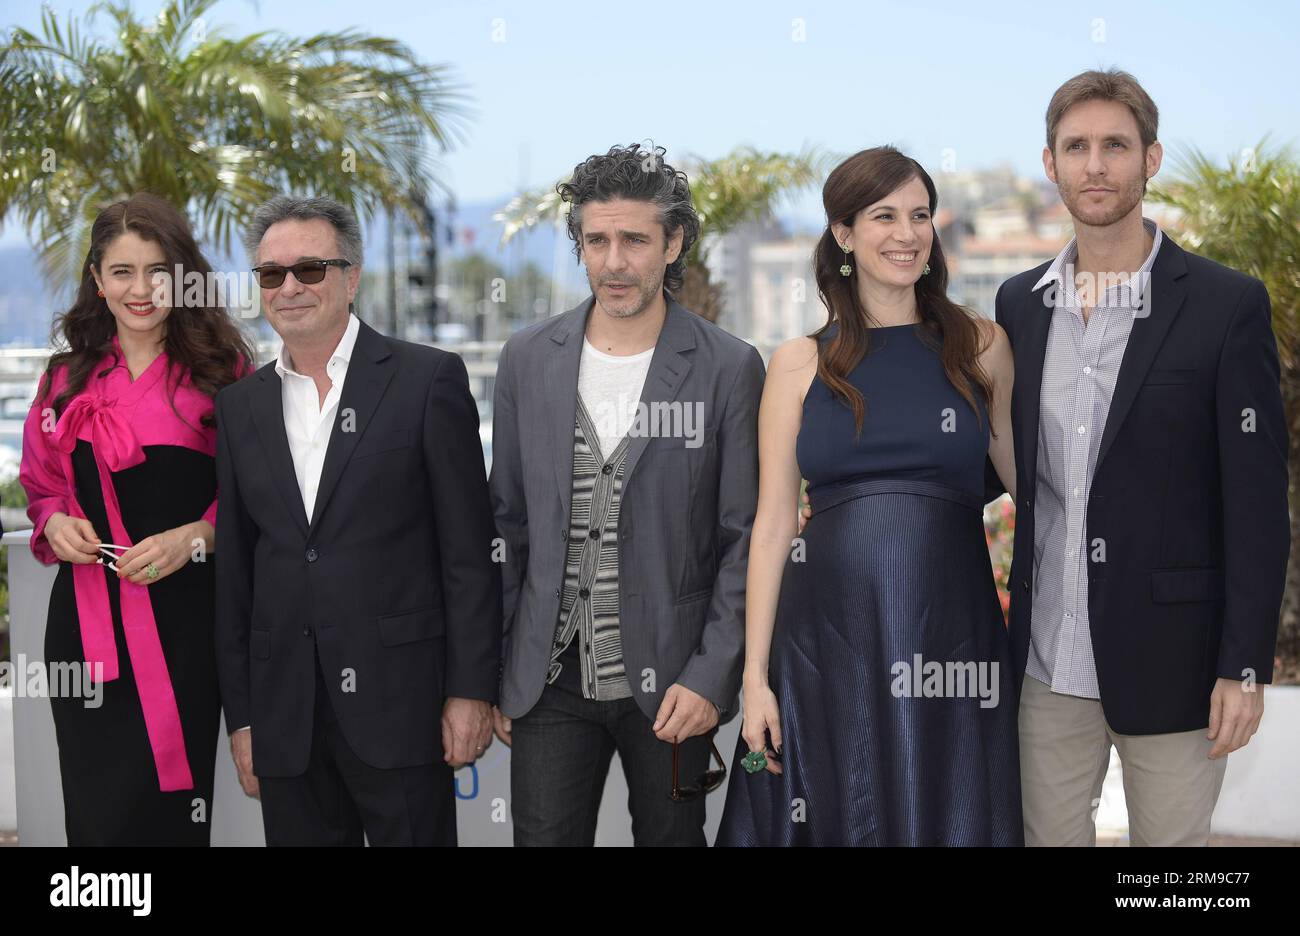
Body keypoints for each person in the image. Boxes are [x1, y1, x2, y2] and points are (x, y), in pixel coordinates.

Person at [991, 69, 1288, 846]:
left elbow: (1257, 507)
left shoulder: (1227, 304)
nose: (1096, 166)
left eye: (1115, 146)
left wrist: (1244, 664)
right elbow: (1001, 456)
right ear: (1049, 164)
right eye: (1076, 147)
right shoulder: (1020, 305)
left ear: (1150, 159)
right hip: (1046, 667)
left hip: (1179, 666)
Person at [716, 146, 1022, 846]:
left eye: (920, 215)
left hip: (954, 635)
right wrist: (755, 680)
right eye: (884, 216)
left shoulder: (981, 346)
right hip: (825, 644)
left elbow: (1031, 492)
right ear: (844, 234)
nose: (907, 233)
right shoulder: (798, 363)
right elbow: (770, 528)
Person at [489, 143, 764, 846]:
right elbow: (505, 526)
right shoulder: (527, 358)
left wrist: (710, 676)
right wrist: (498, 667)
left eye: (635, 240)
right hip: (547, 686)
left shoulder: (728, 367)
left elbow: (743, 540)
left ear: (672, 244)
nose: (614, 261)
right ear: (579, 245)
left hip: (672, 686)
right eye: (597, 240)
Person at [213, 195, 501, 846]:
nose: (289, 287)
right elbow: (235, 573)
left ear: (351, 277)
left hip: (404, 708)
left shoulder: (427, 380)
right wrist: (244, 719)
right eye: (271, 274)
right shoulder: (238, 408)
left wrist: (470, 690)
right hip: (285, 719)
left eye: (310, 269)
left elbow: (470, 553)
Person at [20, 192, 254, 845]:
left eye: (158, 270)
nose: (142, 288)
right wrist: (56, 523)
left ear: (182, 274)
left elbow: (254, 493)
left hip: (188, 629)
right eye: (122, 271)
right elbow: (40, 486)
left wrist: (199, 534)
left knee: (175, 820)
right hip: (86, 637)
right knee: (96, 820)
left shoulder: (224, 372)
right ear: (97, 279)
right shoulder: (62, 380)